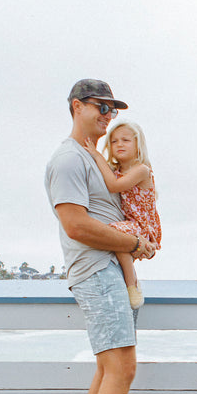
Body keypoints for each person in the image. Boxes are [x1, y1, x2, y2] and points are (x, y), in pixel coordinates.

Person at [45, 78, 159, 394]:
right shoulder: (68, 160)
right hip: (97, 269)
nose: (109, 116)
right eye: (101, 107)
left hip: (108, 268)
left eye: (114, 111)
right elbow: (75, 225)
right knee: (122, 370)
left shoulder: (90, 159)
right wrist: (132, 243)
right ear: (77, 106)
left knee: (106, 370)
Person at [77, 119, 161, 309]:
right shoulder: (114, 170)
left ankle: (132, 285)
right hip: (129, 222)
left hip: (141, 226)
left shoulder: (142, 170)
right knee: (118, 236)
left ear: (138, 145)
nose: (119, 144)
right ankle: (131, 282)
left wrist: (97, 156)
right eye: (114, 141)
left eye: (126, 140)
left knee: (115, 234)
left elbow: (114, 186)